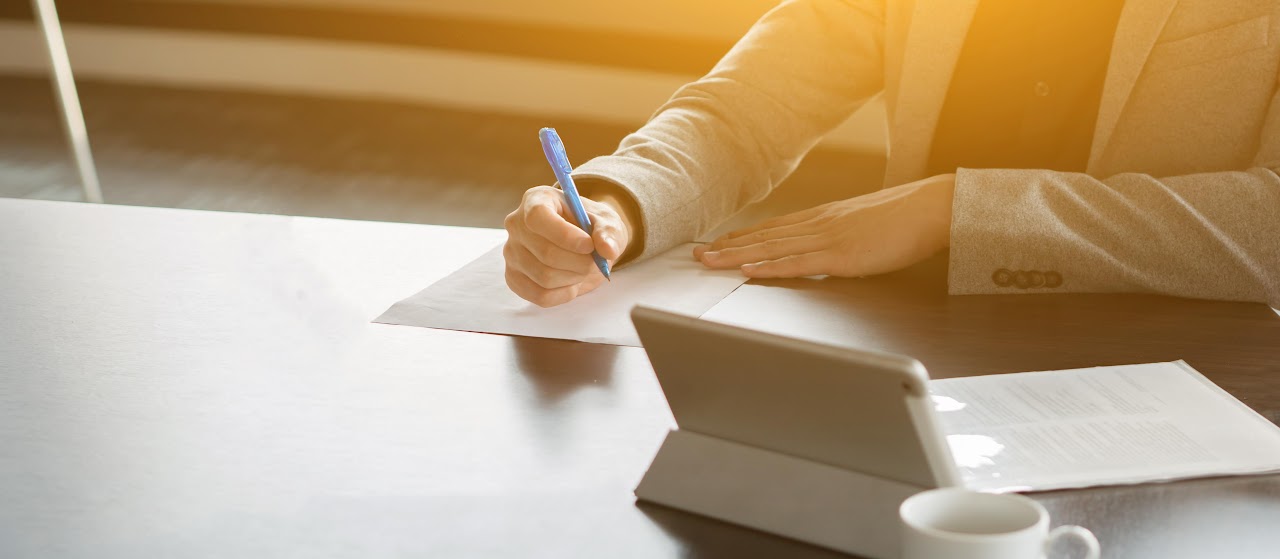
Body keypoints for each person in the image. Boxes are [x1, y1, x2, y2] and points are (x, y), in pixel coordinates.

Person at [503, 0, 1280, 308]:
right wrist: (619, 203)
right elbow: (745, 108)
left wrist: (956, 208)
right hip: (912, 353)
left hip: (1179, 376)